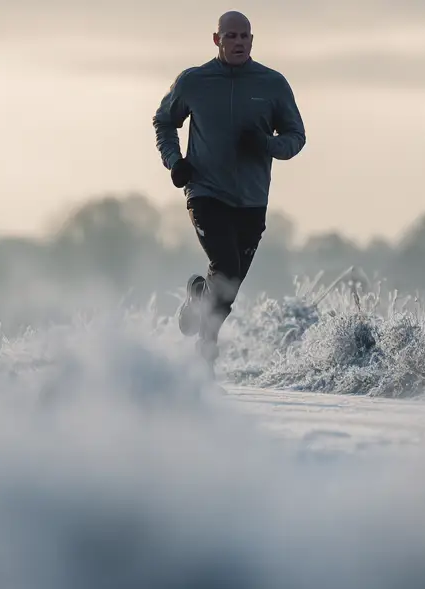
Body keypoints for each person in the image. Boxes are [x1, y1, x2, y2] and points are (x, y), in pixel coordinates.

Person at [152, 10, 306, 373]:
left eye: (245, 36)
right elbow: (163, 121)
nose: (239, 42)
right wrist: (175, 161)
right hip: (205, 192)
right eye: (231, 36)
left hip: (252, 199)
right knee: (227, 266)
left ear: (252, 40)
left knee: (230, 283)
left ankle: (198, 298)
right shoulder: (194, 81)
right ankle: (207, 346)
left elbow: (296, 136)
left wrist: (268, 145)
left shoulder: (272, 84)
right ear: (217, 39)